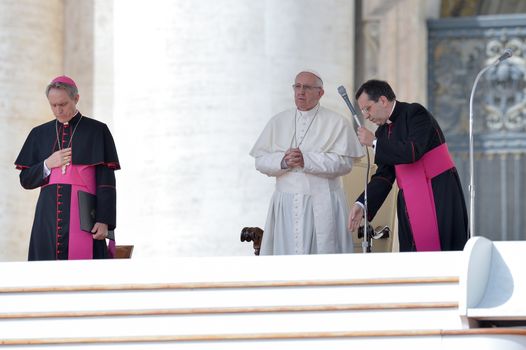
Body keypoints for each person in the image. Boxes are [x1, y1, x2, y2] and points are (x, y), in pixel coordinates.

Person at [250, 70, 363, 255]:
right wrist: (283, 161)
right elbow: (260, 161)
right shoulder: (278, 121)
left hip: (323, 201)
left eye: (307, 87)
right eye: (297, 86)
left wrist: (307, 160)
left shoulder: (337, 122)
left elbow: (345, 164)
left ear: (320, 93)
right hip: (285, 202)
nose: (301, 92)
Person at [348, 79, 468, 251]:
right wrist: (362, 204)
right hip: (409, 200)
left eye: (367, 108)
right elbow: (384, 176)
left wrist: (375, 143)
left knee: (444, 250)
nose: (366, 115)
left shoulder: (415, 113)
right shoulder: (382, 132)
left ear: (382, 100)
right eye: (363, 111)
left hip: (438, 192)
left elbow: (413, 151)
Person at [15, 75, 120, 260]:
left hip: (85, 218)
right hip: (47, 218)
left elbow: (106, 183)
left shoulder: (97, 130)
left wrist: (104, 221)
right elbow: (25, 180)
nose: (58, 110)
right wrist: (48, 164)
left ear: (76, 99)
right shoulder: (39, 133)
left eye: (63, 104)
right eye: (53, 105)